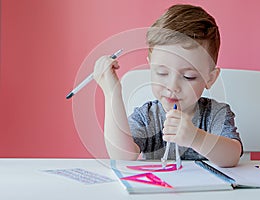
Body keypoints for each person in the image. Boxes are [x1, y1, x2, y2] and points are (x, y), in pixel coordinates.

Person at [93, 4, 243, 167]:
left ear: (210, 78)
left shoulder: (216, 114)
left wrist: (195, 137)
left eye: (188, 76)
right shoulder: (147, 116)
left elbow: (232, 157)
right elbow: (122, 156)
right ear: (151, 67)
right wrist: (111, 93)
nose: (173, 86)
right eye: (162, 73)